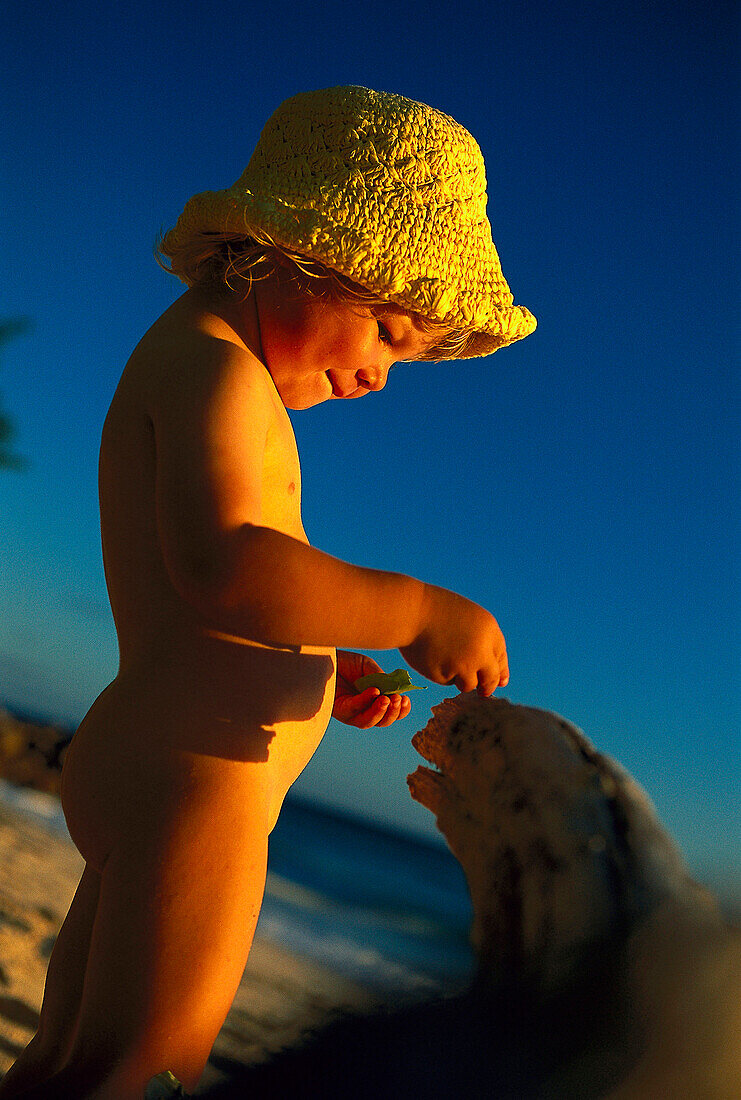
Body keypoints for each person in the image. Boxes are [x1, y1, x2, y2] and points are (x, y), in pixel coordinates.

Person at [0, 85, 535, 1099]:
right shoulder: (210, 366)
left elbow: (213, 587)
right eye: (386, 329)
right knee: (146, 1067)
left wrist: (326, 665)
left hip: (159, 753)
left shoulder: (208, 363)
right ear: (301, 253)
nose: (382, 375)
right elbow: (225, 565)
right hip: (196, 777)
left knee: (68, 1059)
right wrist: (414, 609)